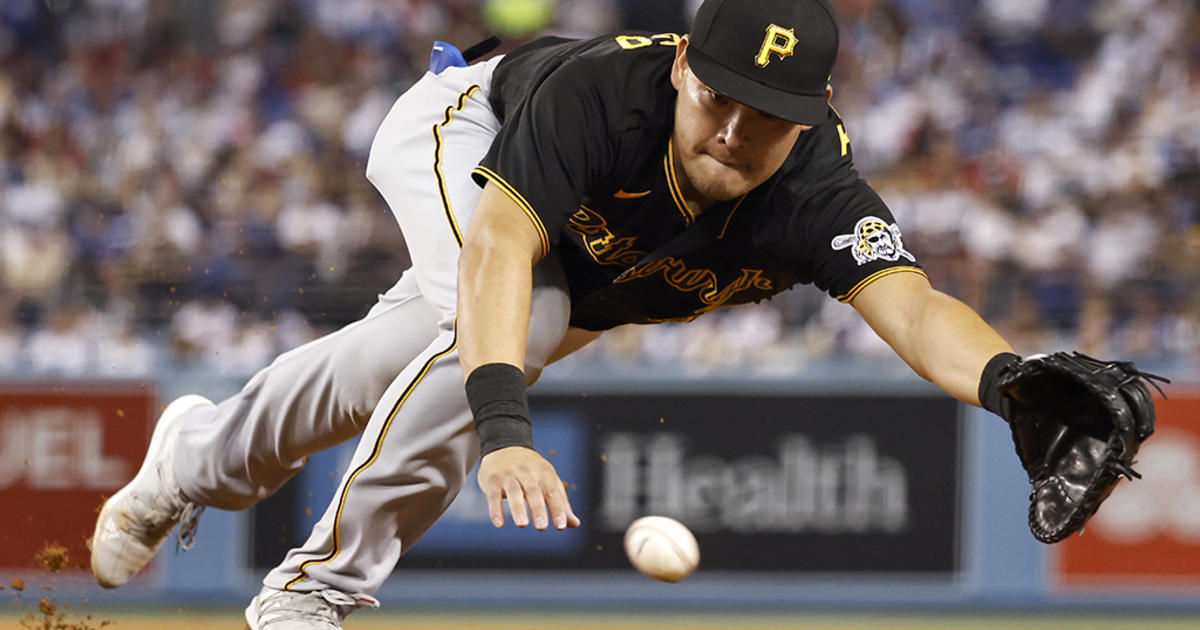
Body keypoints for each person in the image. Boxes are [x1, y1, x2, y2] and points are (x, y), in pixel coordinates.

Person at [91, 1, 1022, 627]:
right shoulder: (604, 97)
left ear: (815, 110)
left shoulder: (818, 190)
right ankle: (317, 587)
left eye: (767, 116)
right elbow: (499, 248)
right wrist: (503, 424)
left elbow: (915, 307)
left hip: (581, 268)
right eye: (719, 98)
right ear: (683, 63)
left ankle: (197, 458)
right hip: (465, 130)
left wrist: (1013, 385)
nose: (735, 133)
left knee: (400, 356)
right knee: (514, 320)